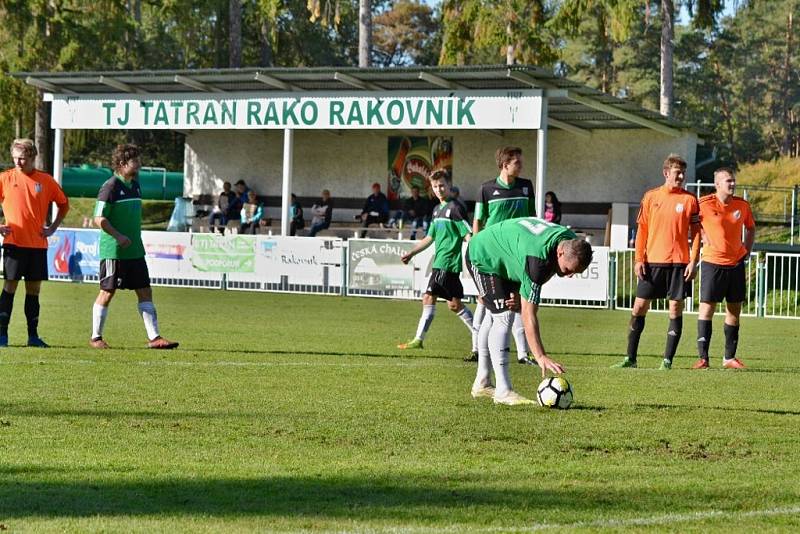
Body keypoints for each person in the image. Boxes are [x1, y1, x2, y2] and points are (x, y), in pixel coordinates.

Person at [467, 217, 593, 405]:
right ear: (560, 253)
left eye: (575, 272)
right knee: (502, 316)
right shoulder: (538, 262)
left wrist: (521, 294)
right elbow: (528, 315)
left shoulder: (570, 242)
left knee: (494, 316)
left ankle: (482, 382)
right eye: (568, 270)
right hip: (483, 254)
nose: (569, 275)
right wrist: (540, 355)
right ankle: (503, 390)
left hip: (506, 254)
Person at [612, 154, 700, 370]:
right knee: (639, 306)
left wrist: (693, 261)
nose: (681, 176)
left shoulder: (690, 200)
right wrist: (638, 259)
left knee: (675, 309)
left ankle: (667, 361)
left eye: (683, 173)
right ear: (666, 173)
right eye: (677, 173)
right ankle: (630, 359)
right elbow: (642, 230)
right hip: (652, 262)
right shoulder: (651, 197)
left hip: (679, 263)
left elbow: (697, 233)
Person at [90, 144, 178, 350]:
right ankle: (96, 338)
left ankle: (155, 338)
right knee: (107, 291)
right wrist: (118, 236)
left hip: (135, 251)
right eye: (135, 161)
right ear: (122, 164)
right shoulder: (110, 186)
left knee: (145, 291)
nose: (139, 165)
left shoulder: (136, 184)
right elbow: (98, 218)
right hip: (114, 251)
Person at [469, 146, 537, 365]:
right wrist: (476, 251)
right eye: (517, 162)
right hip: (492, 256)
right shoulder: (486, 189)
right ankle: (480, 353)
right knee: (491, 309)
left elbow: (532, 219)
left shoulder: (526, 187)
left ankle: (522, 354)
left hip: (517, 255)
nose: (521, 165)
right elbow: (478, 222)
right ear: (504, 164)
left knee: (516, 304)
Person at [0, 138, 69, 348]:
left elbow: (64, 204)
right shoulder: (5, 178)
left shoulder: (46, 181)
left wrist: (52, 228)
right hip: (14, 243)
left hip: (37, 246)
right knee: (9, 287)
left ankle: (33, 336)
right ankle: (2, 336)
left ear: (32, 157)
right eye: (15, 158)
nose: (18, 162)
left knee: (34, 291)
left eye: (22, 158)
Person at [397, 170, 475, 350]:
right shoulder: (436, 210)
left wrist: (476, 253)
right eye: (435, 186)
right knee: (454, 305)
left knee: (428, 297)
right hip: (442, 263)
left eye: (442, 185)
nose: (439, 189)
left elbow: (467, 233)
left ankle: (418, 340)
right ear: (431, 189)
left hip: (447, 263)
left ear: (449, 186)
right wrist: (412, 253)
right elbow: (429, 237)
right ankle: (479, 333)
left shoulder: (454, 208)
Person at [693, 167, 755, 370]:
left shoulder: (742, 205)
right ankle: (703, 358)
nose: (733, 184)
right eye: (728, 181)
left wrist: (746, 249)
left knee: (734, 310)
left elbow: (751, 227)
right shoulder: (703, 203)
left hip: (736, 264)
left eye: (733, 180)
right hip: (712, 263)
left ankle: (729, 358)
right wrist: (702, 236)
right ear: (717, 184)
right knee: (707, 309)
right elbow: (690, 224)